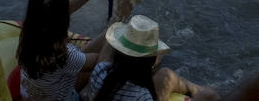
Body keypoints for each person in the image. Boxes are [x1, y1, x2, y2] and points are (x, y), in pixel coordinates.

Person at [15, 0, 113, 101]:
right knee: (105, 62)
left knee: (97, 43)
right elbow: (100, 62)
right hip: (64, 97)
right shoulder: (64, 56)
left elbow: (64, 10)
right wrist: (114, 27)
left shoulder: (26, 35)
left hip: (37, 94)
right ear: (63, 20)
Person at [87, 15, 216, 101]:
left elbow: (107, 55)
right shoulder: (142, 96)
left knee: (166, 75)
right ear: (151, 62)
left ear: (118, 52)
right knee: (208, 94)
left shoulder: (100, 72)